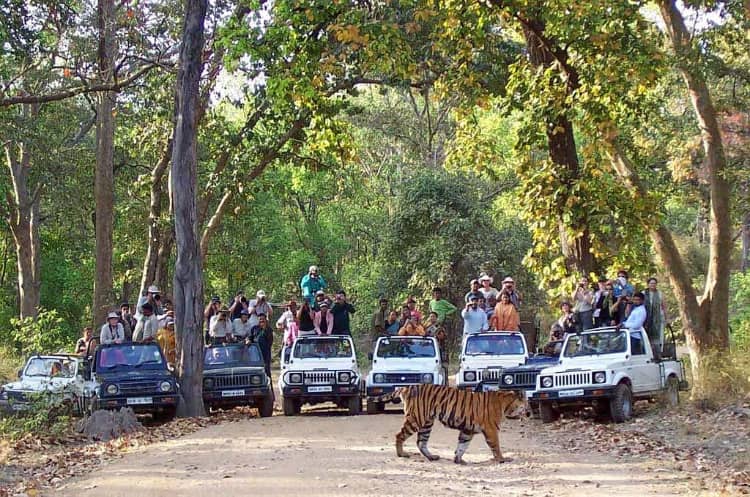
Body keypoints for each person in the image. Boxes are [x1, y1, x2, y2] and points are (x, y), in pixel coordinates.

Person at [644, 278, 668, 351]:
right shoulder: (643, 293)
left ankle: (658, 351)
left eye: (654, 283)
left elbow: (664, 307)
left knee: (659, 336)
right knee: (647, 335)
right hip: (646, 319)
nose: (653, 285)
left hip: (658, 319)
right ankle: (649, 351)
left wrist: (667, 318)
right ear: (648, 284)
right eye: (651, 283)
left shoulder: (660, 293)